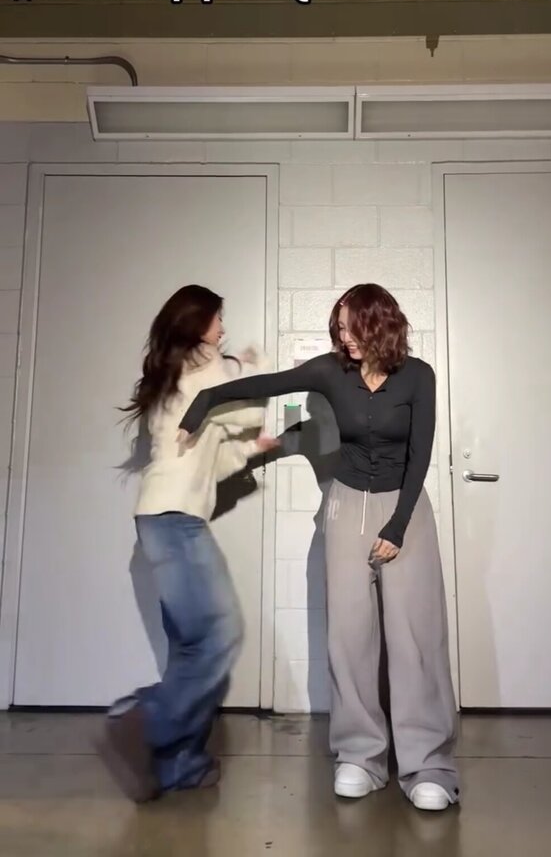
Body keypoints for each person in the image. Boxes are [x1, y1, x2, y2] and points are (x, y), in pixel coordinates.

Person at [177, 283, 460, 812]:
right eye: (339, 328)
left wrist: (398, 527)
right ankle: (360, 757)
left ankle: (429, 765)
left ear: (379, 323)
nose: (344, 337)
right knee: (349, 636)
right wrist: (206, 399)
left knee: (416, 637)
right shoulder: (331, 372)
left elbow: (419, 456)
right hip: (346, 503)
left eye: (352, 327)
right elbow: (270, 384)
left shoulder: (419, 376)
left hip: (406, 509)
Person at [97, 284, 278, 803]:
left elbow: (209, 459)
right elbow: (246, 409)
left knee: (190, 646)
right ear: (200, 324)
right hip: (174, 520)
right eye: (219, 319)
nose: (224, 329)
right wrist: (256, 364)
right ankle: (144, 719)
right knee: (220, 633)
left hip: (162, 518)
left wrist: (255, 449)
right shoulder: (204, 372)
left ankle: (180, 766)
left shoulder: (180, 376)